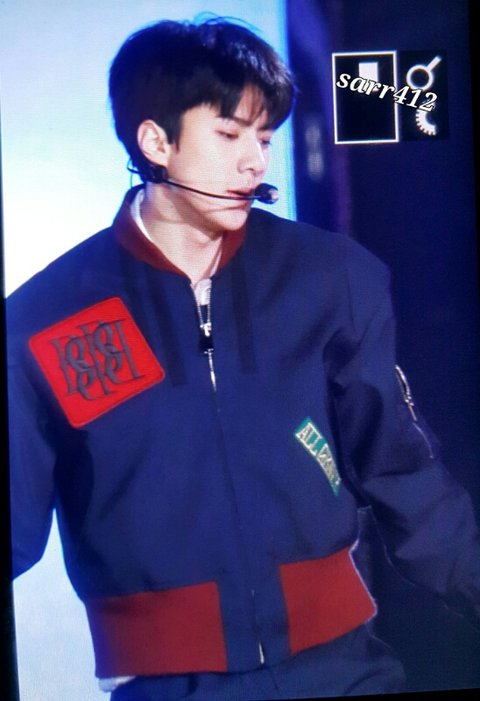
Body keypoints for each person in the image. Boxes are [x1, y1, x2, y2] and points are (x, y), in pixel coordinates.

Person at [7, 17, 480, 701]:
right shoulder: (46, 318)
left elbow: (405, 477)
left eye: (263, 137)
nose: (255, 161)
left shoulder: (331, 279)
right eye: (229, 135)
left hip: (347, 669)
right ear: (156, 142)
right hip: (167, 687)